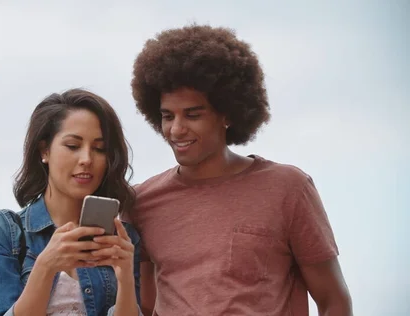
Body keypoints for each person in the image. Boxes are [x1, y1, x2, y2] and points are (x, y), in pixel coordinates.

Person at [126, 24, 353, 315]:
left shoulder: (288, 188)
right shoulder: (142, 202)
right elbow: (145, 304)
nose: (176, 129)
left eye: (193, 114)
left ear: (228, 114)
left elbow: (334, 301)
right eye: (167, 116)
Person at [0, 88, 142, 316]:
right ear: (45, 150)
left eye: (99, 149)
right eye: (73, 146)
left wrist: (125, 281)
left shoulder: (124, 240)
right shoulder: (4, 232)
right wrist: (46, 266)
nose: (86, 159)